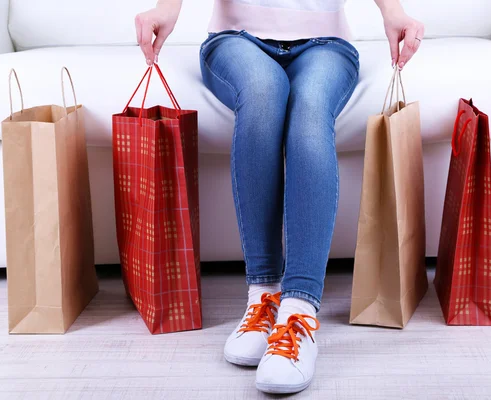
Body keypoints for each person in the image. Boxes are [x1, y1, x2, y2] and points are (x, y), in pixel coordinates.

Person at [135, 0, 424, 394]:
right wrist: (166, 8)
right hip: (237, 39)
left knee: (309, 114)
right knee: (263, 92)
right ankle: (264, 296)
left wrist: (394, 11)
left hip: (327, 44)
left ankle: (299, 312)